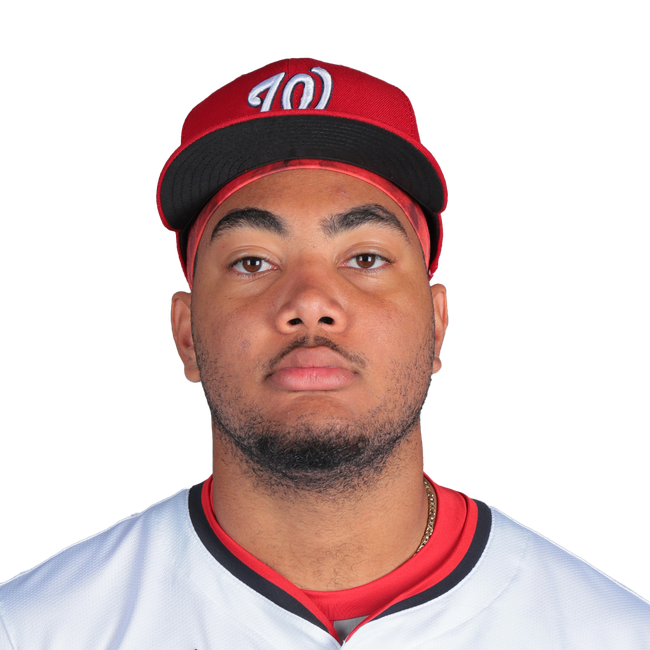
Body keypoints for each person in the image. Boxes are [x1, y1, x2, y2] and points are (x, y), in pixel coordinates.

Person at [1, 57, 648, 649]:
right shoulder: (32, 631)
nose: (310, 302)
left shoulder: (612, 635)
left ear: (438, 324)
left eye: (364, 258)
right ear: (186, 334)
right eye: (253, 261)